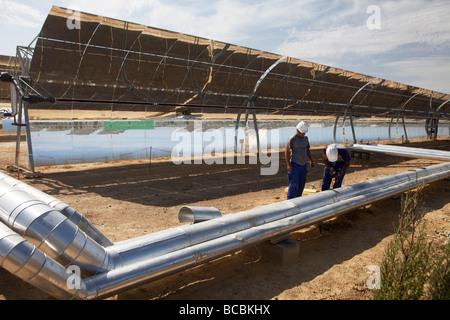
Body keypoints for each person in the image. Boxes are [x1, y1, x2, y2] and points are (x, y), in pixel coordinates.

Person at [285, 121, 314, 199]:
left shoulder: (306, 139)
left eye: (304, 133)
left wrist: (311, 160)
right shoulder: (292, 139)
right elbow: (287, 151)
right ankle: (290, 200)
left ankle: (299, 199)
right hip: (295, 164)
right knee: (294, 182)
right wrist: (288, 164)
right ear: (297, 130)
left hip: (303, 165)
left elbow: (307, 150)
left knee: (302, 183)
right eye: (302, 132)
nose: (303, 134)